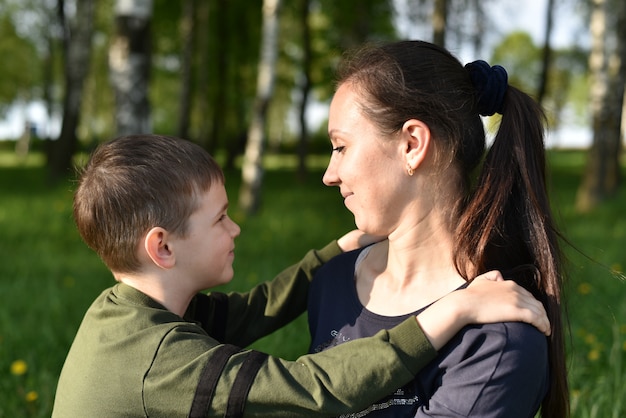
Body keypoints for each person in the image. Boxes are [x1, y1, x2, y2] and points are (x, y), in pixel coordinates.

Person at [52, 134, 551, 418]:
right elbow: (306, 388)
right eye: (220, 219)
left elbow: (255, 309)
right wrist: (451, 310)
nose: (236, 228)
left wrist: (336, 250)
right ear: (162, 247)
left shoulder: (123, 311)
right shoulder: (160, 364)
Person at [307, 40, 569, 417]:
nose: (330, 175)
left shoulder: (497, 343)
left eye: (341, 147)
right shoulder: (331, 283)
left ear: (412, 144)